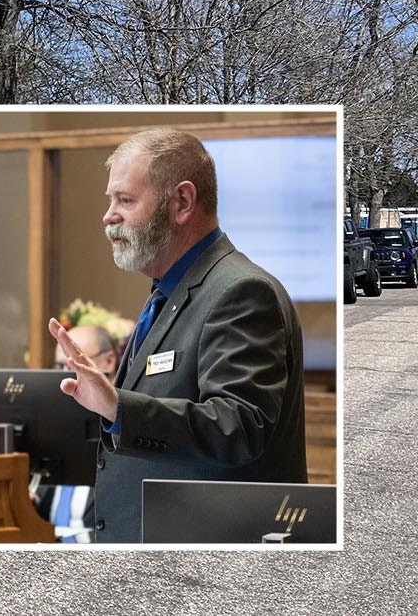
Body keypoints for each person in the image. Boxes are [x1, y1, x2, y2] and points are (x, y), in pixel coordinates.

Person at [49, 128, 307, 543]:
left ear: (182, 202)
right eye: (110, 200)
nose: (108, 215)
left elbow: (238, 427)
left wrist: (119, 408)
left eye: (125, 200)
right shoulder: (168, 292)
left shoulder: (240, 291)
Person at [36, 324, 120, 543]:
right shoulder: (50, 423)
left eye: (73, 364)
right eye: (59, 366)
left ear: (109, 361)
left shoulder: (124, 427)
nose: (66, 377)